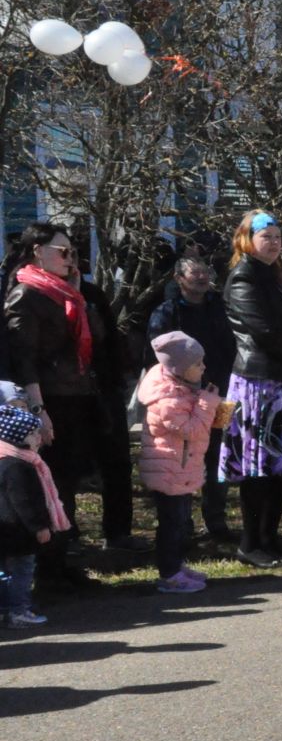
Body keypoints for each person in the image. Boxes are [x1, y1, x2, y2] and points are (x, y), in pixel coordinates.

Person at [4, 222, 124, 584]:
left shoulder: (69, 293)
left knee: (68, 481)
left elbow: (97, 341)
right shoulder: (26, 293)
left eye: (72, 251)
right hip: (51, 399)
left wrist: (77, 298)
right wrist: (38, 411)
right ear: (38, 251)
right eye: (63, 251)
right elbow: (24, 359)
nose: (70, 258)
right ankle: (48, 568)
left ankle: (60, 562)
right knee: (52, 481)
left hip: (79, 395)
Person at [220, 212, 282, 568]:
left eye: (278, 237)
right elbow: (265, 333)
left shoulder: (274, 277)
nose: (274, 243)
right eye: (267, 237)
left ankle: (270, 538)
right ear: (247, 240)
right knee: (258, 466)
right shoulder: (244, 278)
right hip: (257, 383)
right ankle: (250, 542)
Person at [148, 256, 238, 541]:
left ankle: (216, 520)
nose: (201, 277)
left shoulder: (220, 309)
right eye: (194, 272)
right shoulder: (166, 312)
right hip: (182, 398)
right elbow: (157, 356)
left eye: (204, 272)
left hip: (219, 393)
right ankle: (182, 524)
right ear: (179, 278)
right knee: (184, 459)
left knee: (217, 457)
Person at [137, 331, 224, 595]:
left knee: (180, 521)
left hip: (181, 468)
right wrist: (208, 404)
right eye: (198, 365)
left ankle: (176, 565)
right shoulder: (166, 399)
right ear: (179, 369)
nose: (204, 368)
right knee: (171, 525)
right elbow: (192, 430)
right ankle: (169, 574)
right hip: (168, 469)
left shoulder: (183, 388)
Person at [0, 403, 64, 627]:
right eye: (34, 433)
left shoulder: (6, 461)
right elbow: (25, 502)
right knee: (23, 571)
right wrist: (40, 527)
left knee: (7, 573)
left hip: (8, 531)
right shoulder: (19, 466)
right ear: (19, 436)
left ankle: (8, 608)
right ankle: (18, 610)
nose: (39, 437)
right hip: (18, 533)